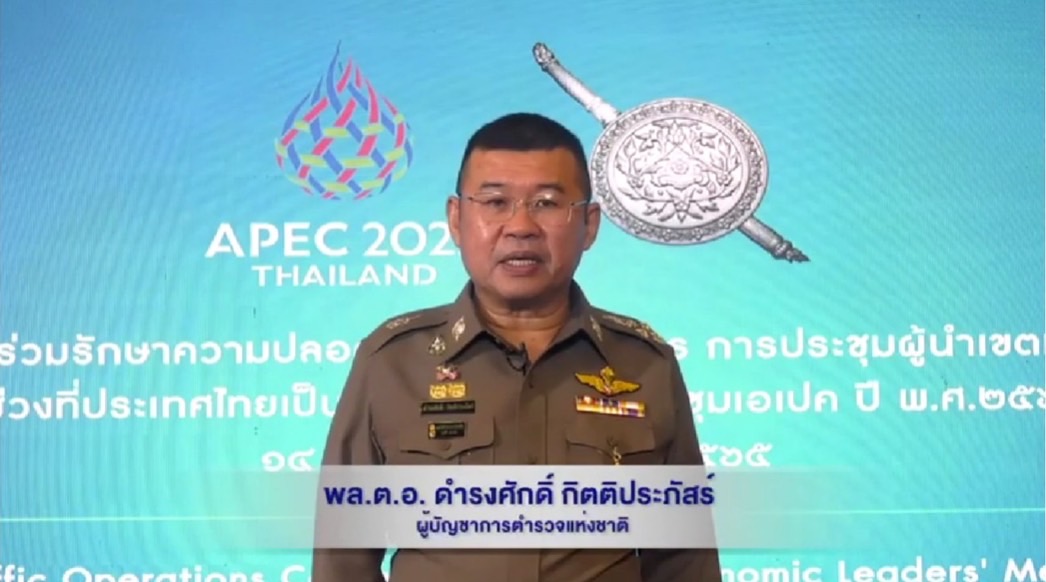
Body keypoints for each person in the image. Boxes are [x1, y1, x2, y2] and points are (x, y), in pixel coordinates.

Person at [312, 112, 722, 582]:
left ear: (589, 225)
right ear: (456, 219)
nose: (521, 226)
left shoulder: (645, 364)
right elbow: (343, 559)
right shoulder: (391, 361)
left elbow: (685, 560)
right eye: (495, 202)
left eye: (547, 203)